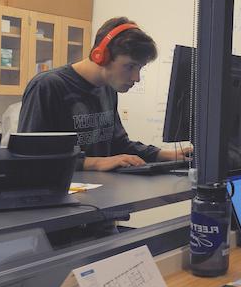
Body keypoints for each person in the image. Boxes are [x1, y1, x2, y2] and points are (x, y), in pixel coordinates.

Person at [18, 17, 189, 171]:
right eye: (130, 66)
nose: (136, 78)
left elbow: (118, 144)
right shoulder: (48, 86)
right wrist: (95, 162)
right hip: (57, 196)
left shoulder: (107, 88)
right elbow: (29, 154)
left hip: (98, 194)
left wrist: (162, 154)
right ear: (102, 57)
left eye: (139, 68)